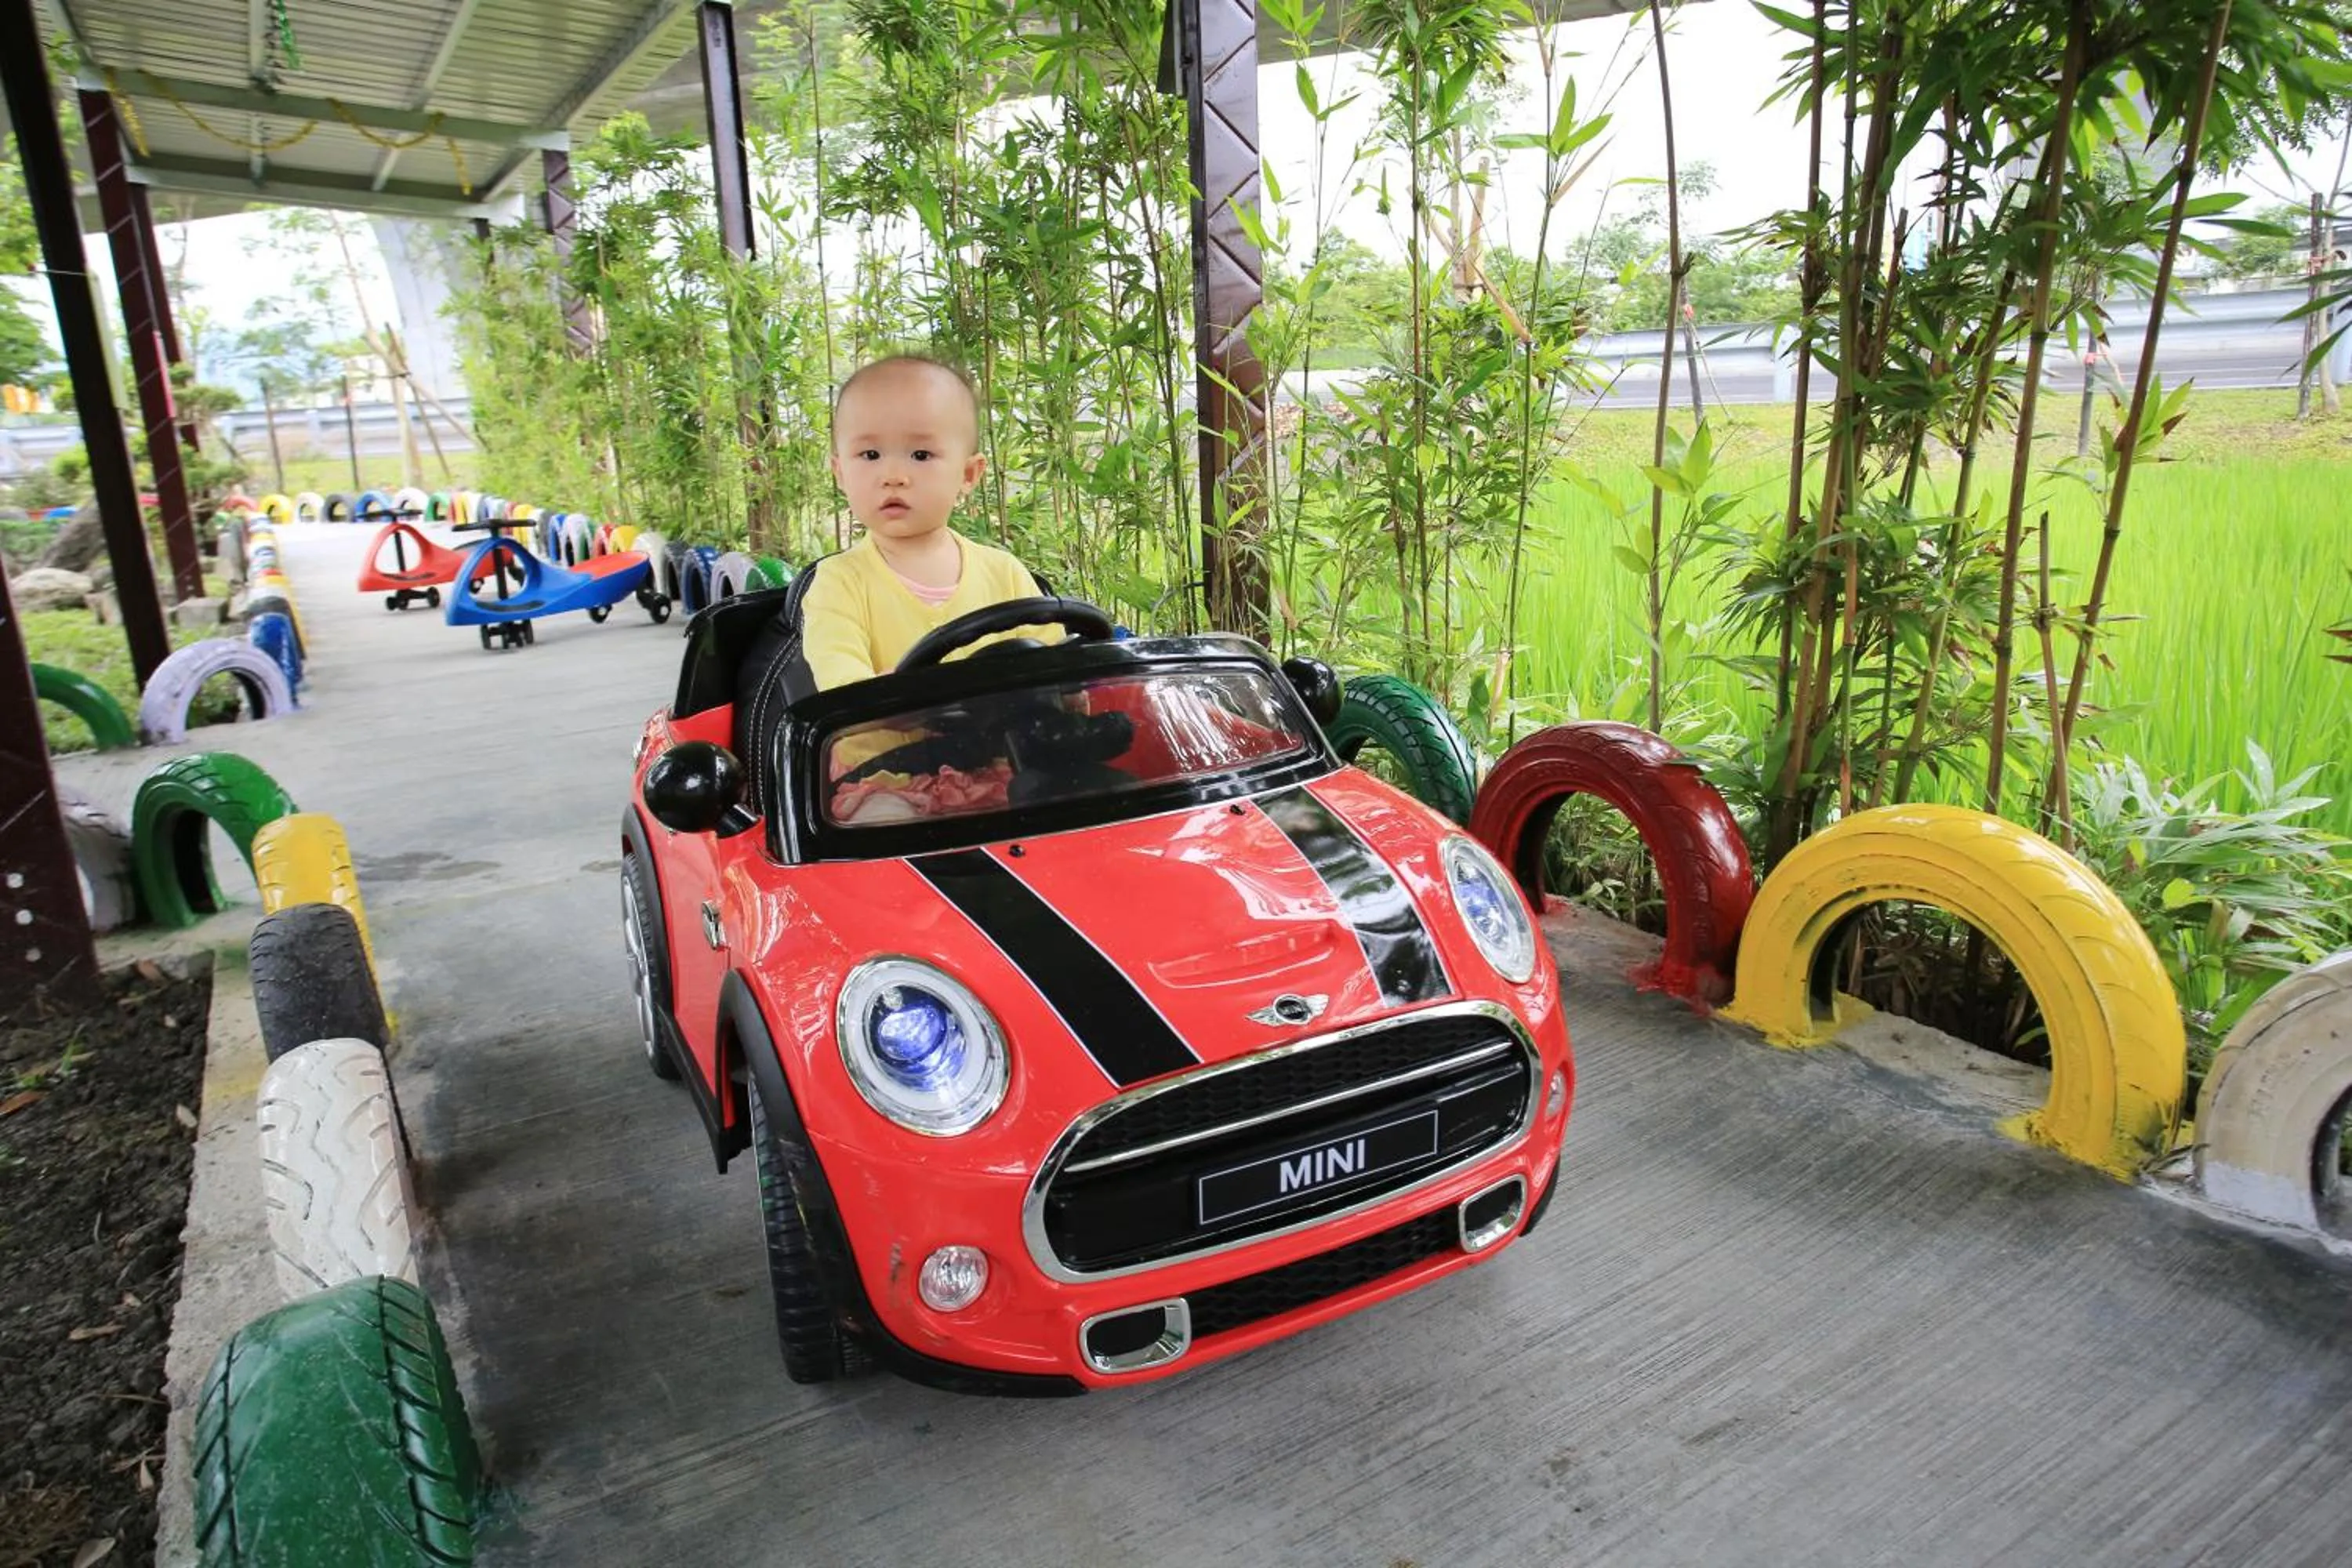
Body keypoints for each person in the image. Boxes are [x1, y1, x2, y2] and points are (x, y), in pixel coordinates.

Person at [797, 354, 1058, 691]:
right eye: (871, 455)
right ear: (841, 473)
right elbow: (842, 689)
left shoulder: (1005, 575)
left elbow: (1057, 672)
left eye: (920, 455)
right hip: (888, 744)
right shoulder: (838, 585)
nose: (893, 477)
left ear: (967, 474)